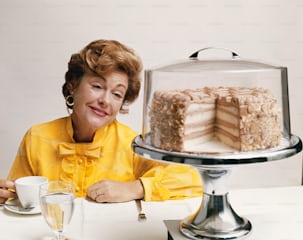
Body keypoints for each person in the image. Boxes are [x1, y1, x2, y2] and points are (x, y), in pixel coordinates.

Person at [0, 39, 202, 204]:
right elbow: (15, 197)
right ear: (73, 86)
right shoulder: (37, 137)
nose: (105, 100)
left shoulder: (132, 143)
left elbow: (193, 181)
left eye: (116, 93)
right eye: (97, 86)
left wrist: (135, 188)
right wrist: (7, 196)